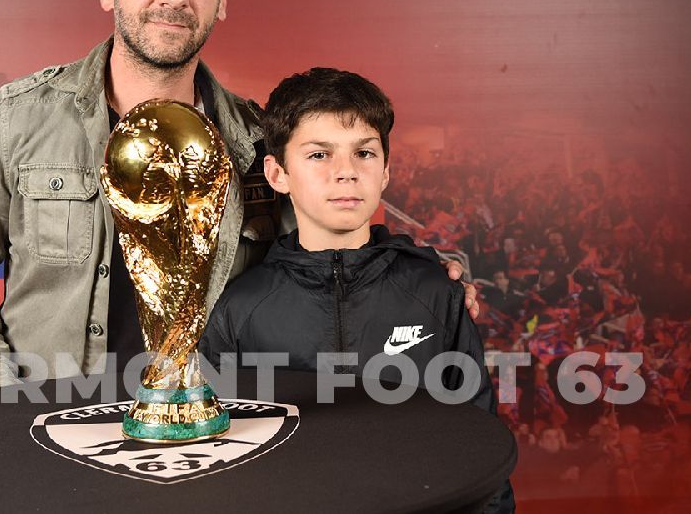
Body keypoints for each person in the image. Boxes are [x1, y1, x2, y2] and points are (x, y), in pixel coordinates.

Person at [0, 0, 477, 394]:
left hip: (213, 427)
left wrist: (425, 274)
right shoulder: (19, 118)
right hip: (52, 422)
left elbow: (323, 255)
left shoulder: (258, 139)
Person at [199, 68, 513, 512]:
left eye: (364, 152)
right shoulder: (241, 307)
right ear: (277, 173)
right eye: (319, 155)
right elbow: (217, 457)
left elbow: (481, 448)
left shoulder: (436, 293)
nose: (345, 172)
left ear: (385, 170)